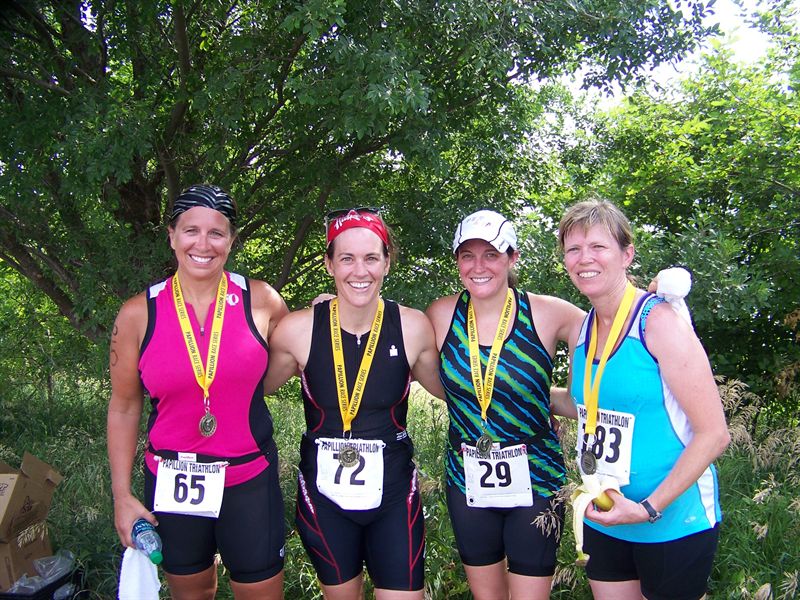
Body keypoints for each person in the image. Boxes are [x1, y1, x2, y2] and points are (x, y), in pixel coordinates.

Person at [107, 184, 289, 600]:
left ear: (231, 240)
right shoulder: (138, 313)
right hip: (173, 479)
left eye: (216, 233)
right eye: (191, 230)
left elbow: (301, 352)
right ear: (172, 236)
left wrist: (331, 309)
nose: (203, 244)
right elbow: (123, 406)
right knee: (192, 593)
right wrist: (121, 495)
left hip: (248, 478)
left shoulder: (261, 301)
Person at [264, 208, 443, 600]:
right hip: (324, 497)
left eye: (371, 258)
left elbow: (454, 391)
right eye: (346, 258)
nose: (359, 271)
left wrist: (530, 401)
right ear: (329, 264)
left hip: (394, 495)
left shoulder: (412, 327)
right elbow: (250, 387)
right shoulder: (297, 330)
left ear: (387, 263)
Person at [559, 198, 730, 600]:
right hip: (607, 514)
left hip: (671, 521)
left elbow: (714, 434)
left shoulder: (659, 321)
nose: (585, 258)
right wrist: (517, 394)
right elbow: (582, 405)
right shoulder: (583, 329)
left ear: (627, 254)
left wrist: (648, 508)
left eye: (598, 246)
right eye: (574, 249)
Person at [426, 209, 585, 600]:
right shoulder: (441, 314)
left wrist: (655, 304)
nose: (478, 266)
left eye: (491, 255)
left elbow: (616, 331)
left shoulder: (549, 313)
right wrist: (331, 307)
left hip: (537, 476)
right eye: (467, 255)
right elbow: (388, 334)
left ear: (513, 258)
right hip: (467, 474)